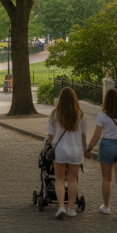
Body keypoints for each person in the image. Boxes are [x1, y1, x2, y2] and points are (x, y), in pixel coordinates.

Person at [85, 88, 117, 220]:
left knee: (107, 178)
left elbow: (96, 135)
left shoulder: (102, 115)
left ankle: (106, 207)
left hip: (107, 146)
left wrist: (88, 149)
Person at [47, 87, 87, 218]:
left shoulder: (55, 114)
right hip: (76, 151)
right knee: (72, 180)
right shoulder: (80, 115)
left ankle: (61, 207)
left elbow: (50, 136)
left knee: (59, 179)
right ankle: (71, 209)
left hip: (60, 151)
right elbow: (83, 136)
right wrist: (85, 149)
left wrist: (50, 145)